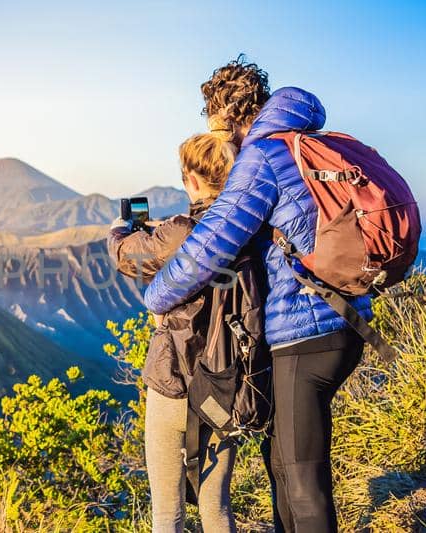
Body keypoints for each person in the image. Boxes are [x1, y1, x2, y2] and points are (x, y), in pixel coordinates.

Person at [144, 59, 370, 533]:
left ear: (223, 116)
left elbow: (208, 249)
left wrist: (156, 296)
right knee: (285, 464)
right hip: (345, 319)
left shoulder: (262, 155)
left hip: (306, 333)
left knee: (301, 481)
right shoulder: (305, 140)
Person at [108, 129, 241, 533]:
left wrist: (119, 229)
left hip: (174, 384)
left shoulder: (182, 232)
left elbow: (127, 257)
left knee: (167, 512)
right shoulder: (244, 227)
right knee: (216, 506)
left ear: (192, 179)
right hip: (226, 382)